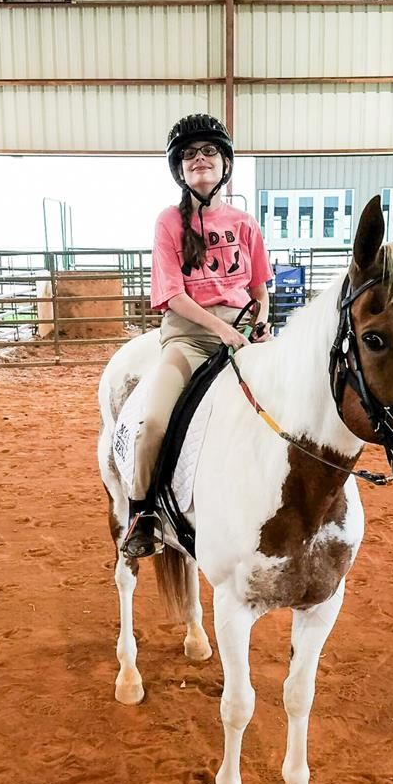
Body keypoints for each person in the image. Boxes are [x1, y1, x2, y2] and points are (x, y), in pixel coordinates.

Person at [121, 113, 273, 558]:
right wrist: (225, 329)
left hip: (243, 333)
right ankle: (142, 514)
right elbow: (173, 296)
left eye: (208, 152)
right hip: (189, 340)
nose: (199, 159)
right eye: (189, 155)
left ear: (225, 163)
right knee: (153, 425)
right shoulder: (169, 222)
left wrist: (259, 322)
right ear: (180, 170)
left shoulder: (245, 223)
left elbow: (260, 288)